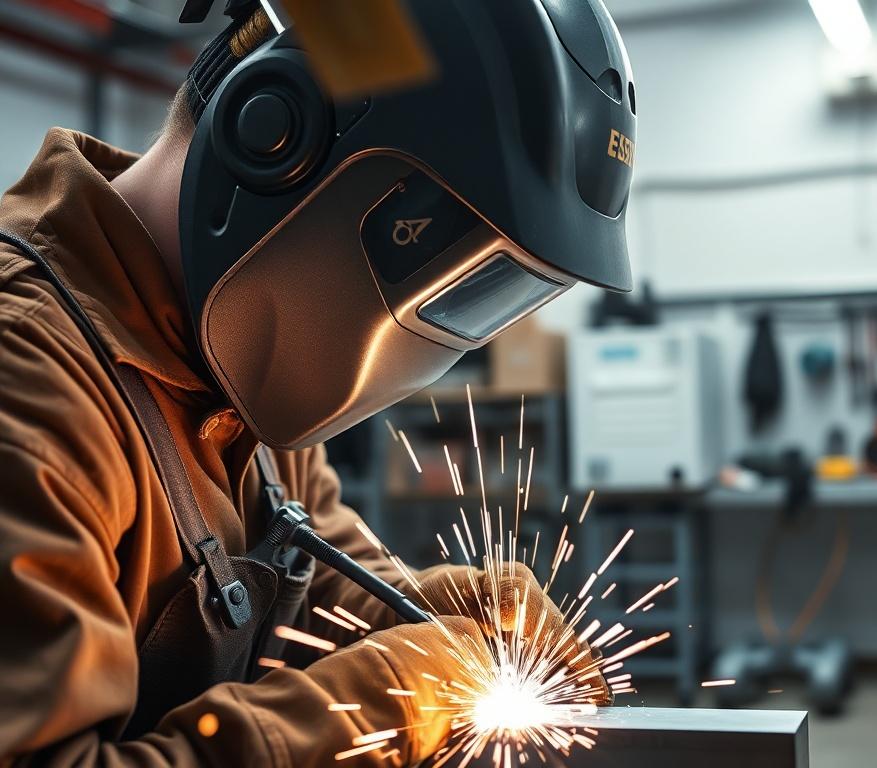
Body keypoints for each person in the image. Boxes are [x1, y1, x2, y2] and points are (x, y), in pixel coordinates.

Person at [0, 1, 635, 765]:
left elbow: (318, 571)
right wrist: (396, 690)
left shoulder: (228, 360)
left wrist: (429, 612)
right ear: (276, 137)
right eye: (437, 267)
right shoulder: (28, 378)